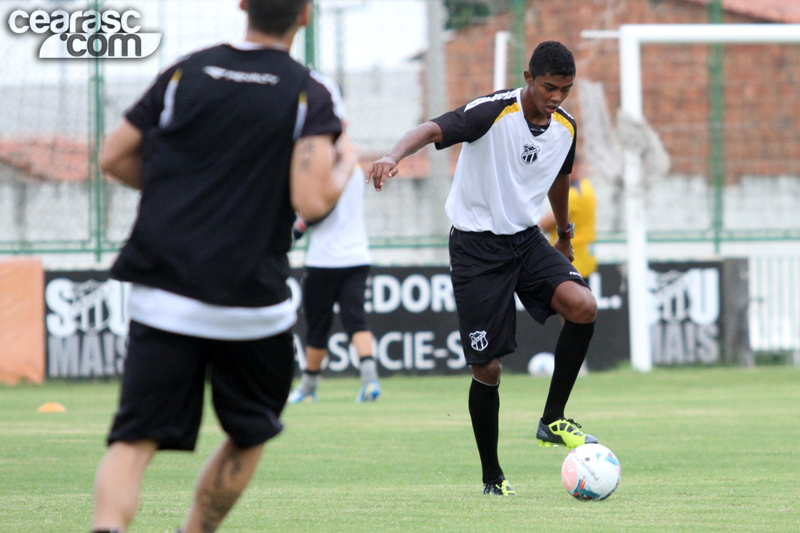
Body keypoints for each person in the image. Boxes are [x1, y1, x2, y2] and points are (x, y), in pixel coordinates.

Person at [91, 1, 356, 531]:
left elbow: (113, 157)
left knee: (132, 441)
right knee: (249, 433)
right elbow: (310, 200)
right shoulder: (309, 93)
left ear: (241, 5)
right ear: (304, 15)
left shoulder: (185, 72)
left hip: (163, 290)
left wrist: (183, 196)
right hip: (250, 306)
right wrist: (347, 161)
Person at [369, 41, 598, 497]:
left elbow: (560, 178)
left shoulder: (566, 128)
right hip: (476, 248)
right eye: (550, 87)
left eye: (565, 90)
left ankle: (552, 419)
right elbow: (433, 128)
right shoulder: (493, 112)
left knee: (583, 306)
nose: (556, 97)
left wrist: (566, 235)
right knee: (488, 368)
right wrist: (394, 155)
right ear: (529, 78)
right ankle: (492, 476)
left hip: (526, 241)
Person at [288, 164, 381, 403]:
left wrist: (300, 226)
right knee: (356, 319)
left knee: (318, 326)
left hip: (323, 260)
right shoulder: (356, 169)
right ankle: (370, 381)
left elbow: (321, 206)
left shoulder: (324, 169)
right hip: (357, 257)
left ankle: (308, 387)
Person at [539, 158, 598, 280]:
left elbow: (545, 224)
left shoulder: (572, 195)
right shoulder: (586, 186)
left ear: (573, 167)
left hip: (570, 260)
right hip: (583, 258)